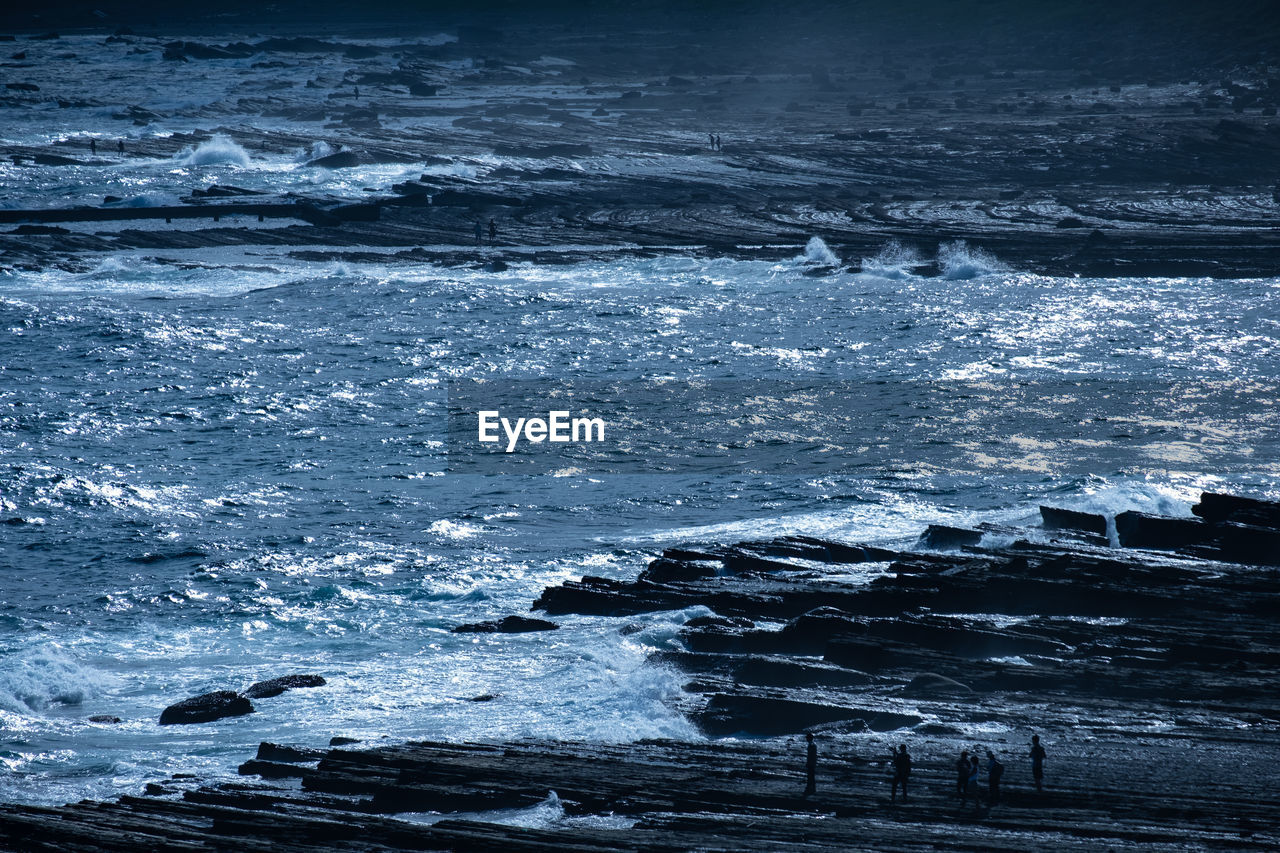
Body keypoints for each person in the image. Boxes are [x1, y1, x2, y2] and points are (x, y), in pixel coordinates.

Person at [803, 732, 816, 797]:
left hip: (811, 762)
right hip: (813, 762)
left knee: (810, 775)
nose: (806, 739)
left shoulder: (811, 745)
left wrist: (808, 762)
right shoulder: (813, 744)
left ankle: (810, 788)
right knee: (811, 775)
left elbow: (810, 755)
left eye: (807, 738)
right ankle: (812, 788)